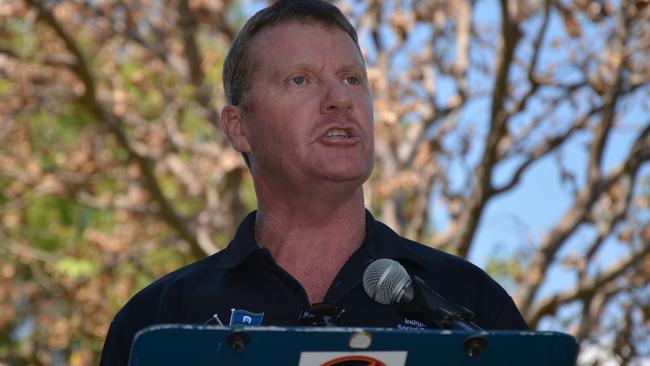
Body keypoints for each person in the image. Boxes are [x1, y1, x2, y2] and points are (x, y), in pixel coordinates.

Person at [100, 0, 528, 364]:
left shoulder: (472, 306)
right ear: (238, 127)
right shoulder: (159, 322)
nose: (340, 99)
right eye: (300, 80)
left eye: (352, 79)